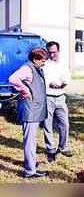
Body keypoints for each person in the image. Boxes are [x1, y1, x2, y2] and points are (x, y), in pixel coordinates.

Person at [9, 48, 49, 178]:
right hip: (30, 110)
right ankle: (29, 171)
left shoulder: (36, 67)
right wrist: (25, 90)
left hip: (34, 110)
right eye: (43, 61)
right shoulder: (27, 68)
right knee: (29, 141)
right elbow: (13, 79)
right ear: (35, 59)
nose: (44, 63)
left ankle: (31, 164)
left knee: (31, 141)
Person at [43, 41, 72, 163]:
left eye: (54, 52)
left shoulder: (63, 64)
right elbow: (43, 79)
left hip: (60, 97)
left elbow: (67, 77)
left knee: (64, 123)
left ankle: (63, 147)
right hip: (48, 97)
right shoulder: (44, 64)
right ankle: (50, 150)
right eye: (50, 52)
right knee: (47, 124)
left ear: (58, 51)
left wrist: (64, 83)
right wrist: (50, 83)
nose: (52, 55)